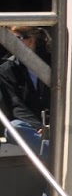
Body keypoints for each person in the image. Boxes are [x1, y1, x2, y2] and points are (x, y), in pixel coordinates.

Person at [0, 27, 49, 155]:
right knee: (15, 128)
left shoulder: (53, 63)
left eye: (15, 39)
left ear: (31, 40)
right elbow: (15, 105)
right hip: (29, 126)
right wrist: (38, 126)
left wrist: (51, 125)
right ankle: (54, 157)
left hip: (54, 124)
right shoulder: (6, 69)